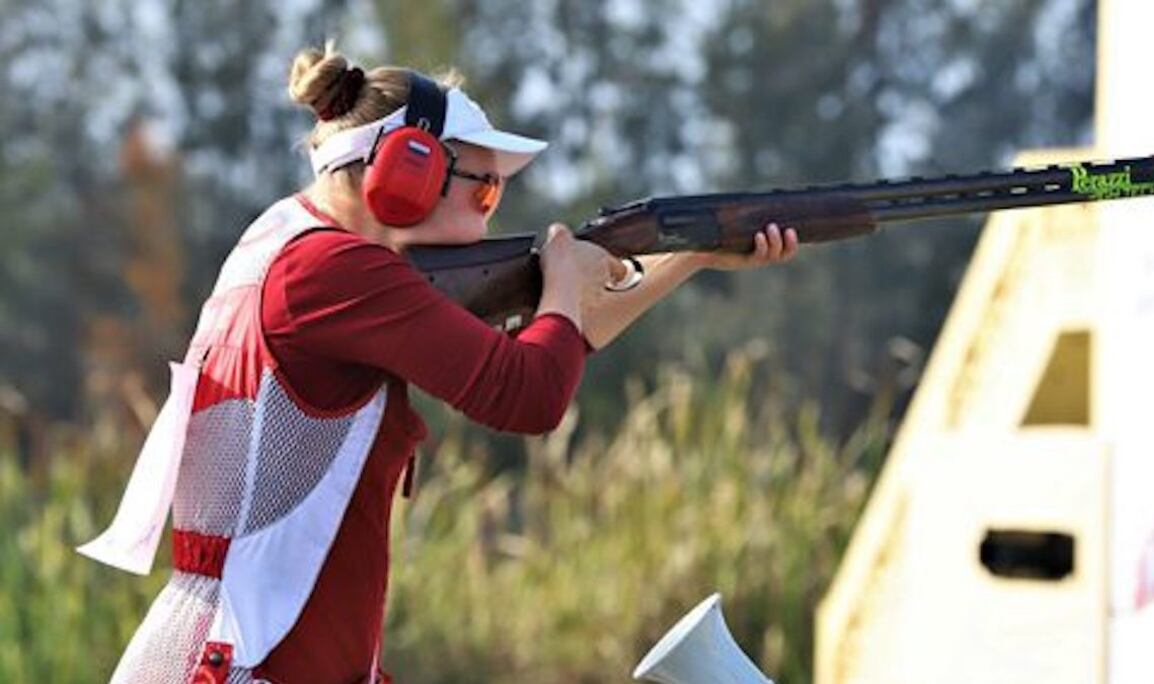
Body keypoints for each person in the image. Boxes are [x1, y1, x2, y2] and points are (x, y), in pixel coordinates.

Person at [86, 43, 799, 684]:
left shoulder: (288, 243)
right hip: (252, 659)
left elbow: (554, 345)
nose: (491, 212)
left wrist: (693, 255)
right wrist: (558, 271)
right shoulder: (332, 270)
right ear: (408, 168)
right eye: (484, 187)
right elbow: (529, 396)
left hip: (256, 651)